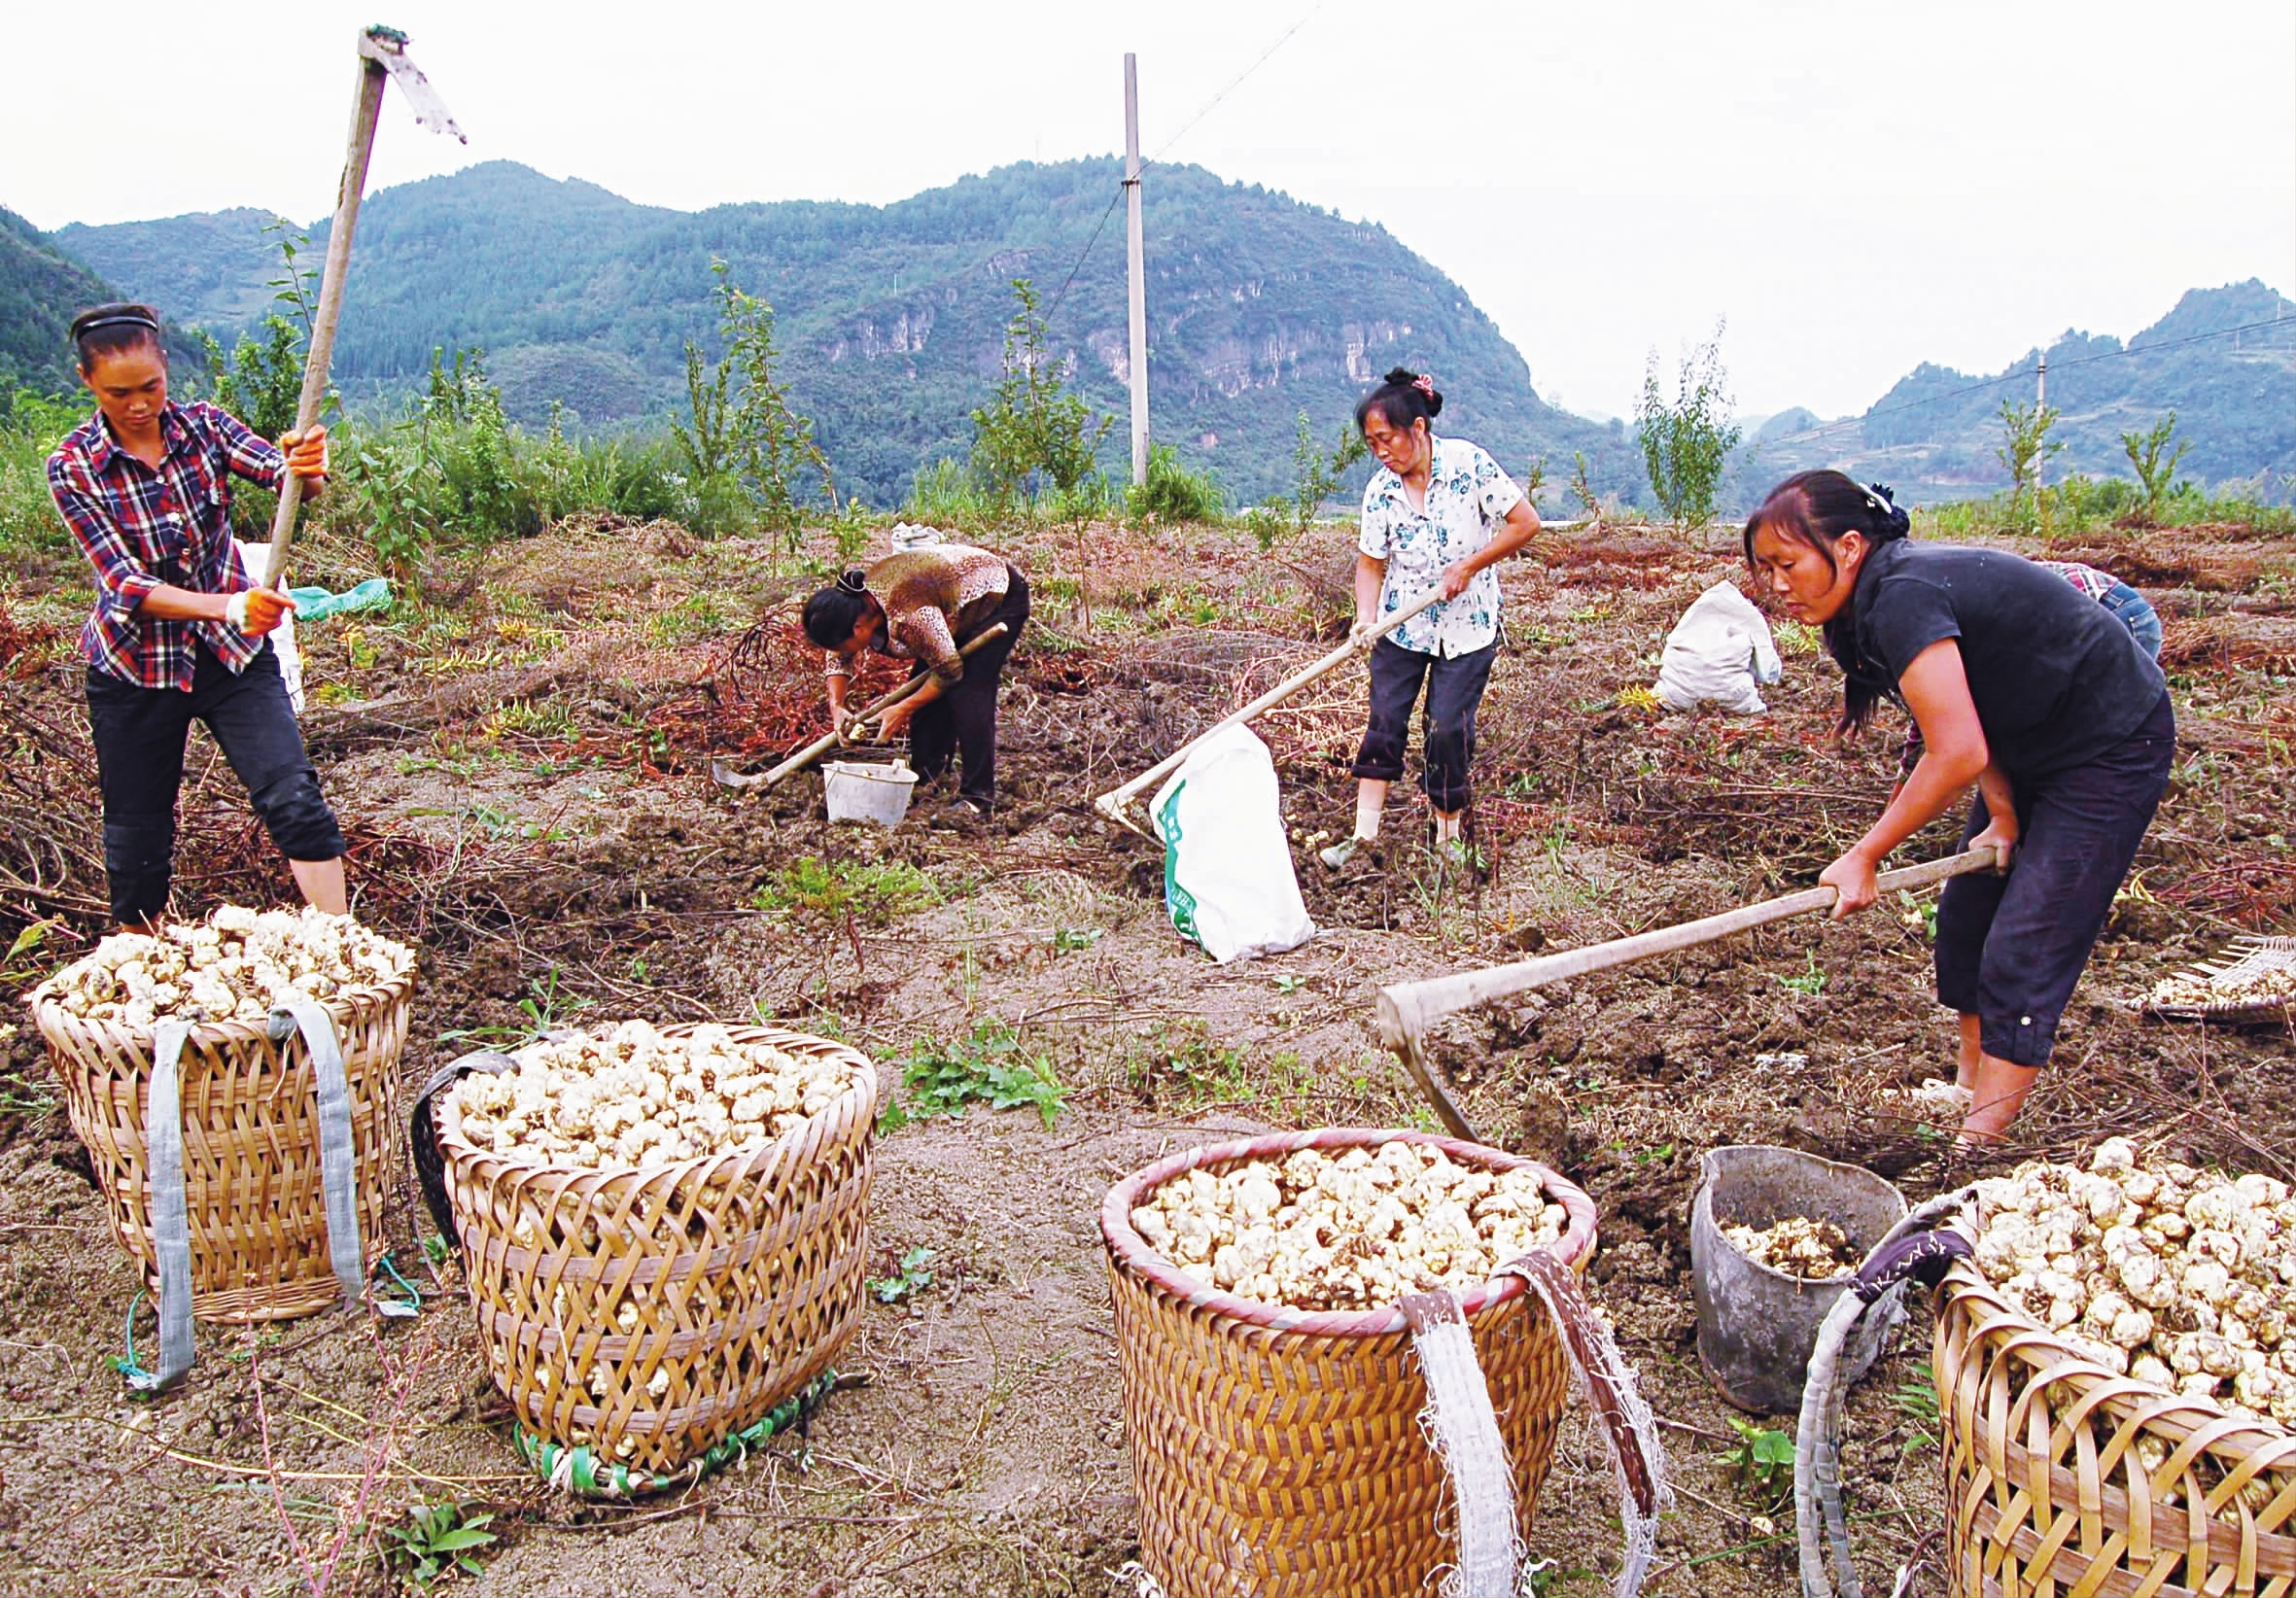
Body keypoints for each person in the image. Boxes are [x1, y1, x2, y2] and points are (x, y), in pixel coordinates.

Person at [1744, 469, 2174, 1145]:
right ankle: (1966, 1091)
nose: (1775, 585)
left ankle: (1978, 1145)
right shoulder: (1856, 616)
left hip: (2107, 743)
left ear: (1850, 547)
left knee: (2025, 943)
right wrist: (2002, 810)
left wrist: (1865, 855)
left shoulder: (1902, 598)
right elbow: (1982, 705)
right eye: (1764, 568)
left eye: (1787, 564)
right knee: (1969, 918)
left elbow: (1955, 751)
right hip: (2031, 738)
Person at [47, 303, 349, 928]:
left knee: (293, 796)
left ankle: (341, 943)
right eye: (118, 392)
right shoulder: (74, 467)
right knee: (138, 836)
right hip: (136, 670)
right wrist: (230, 605)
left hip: (231, 658)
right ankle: (142, 974)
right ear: (87, 382)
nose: (138, 405)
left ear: (165, 371)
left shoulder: (205, 429)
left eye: (150, 387)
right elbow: (125, 584)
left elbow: (287, 480)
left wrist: (305, 466)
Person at [1319, 367, 1541, 870]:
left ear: (1417, 428)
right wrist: (1365, 617)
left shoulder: (1469, 465)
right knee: (1384, 722)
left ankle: (1446, 841)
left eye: (1387, 438)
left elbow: (1526, 523)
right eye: (1372, 442)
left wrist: (1470, 565)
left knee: (1446, 730)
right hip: (1402, 625)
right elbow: (1371, 563)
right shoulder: (1380, 492)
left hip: (1468, 629)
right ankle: (1363, 838)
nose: (1381, 451)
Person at [1891, 557, 2162, 792]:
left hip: (2114, 609)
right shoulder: (1923, 615)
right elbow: (1930, 731)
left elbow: (1941, 731)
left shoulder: (1925, 627)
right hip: (2072, 618)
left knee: (2085, 742)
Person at [800, 542, 1029, 816]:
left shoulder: (910, 615)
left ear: (858, 628)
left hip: (995, 596)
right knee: (924, 690)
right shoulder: (853, 609)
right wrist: (837, 707)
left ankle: (977, 799)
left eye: (845, 644)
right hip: (949, 607)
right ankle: (926, 779)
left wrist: (901, 708)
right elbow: (838, 657)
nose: (845, 652)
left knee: (968, 693)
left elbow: (949, 671)